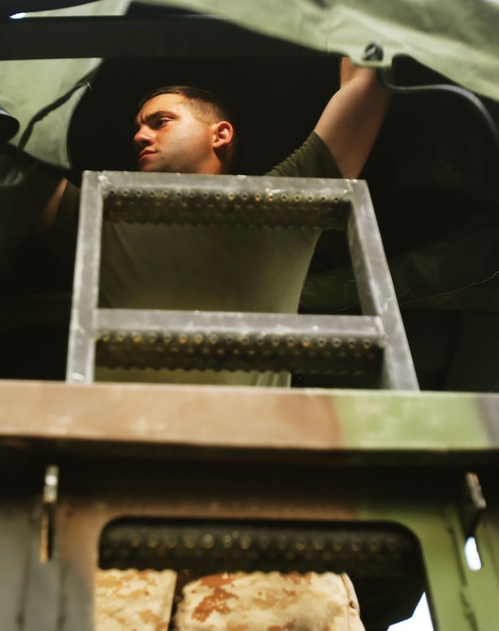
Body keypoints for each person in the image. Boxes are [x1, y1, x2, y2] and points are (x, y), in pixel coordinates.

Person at [37, 58, 391, 385]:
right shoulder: (102, 217)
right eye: (140, 128)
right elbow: (8, 163)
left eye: (160, 122)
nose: (140, 136)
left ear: (220, 134)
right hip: (120, 438)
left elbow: (366, 81)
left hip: (245, 440)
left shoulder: (275, 208)